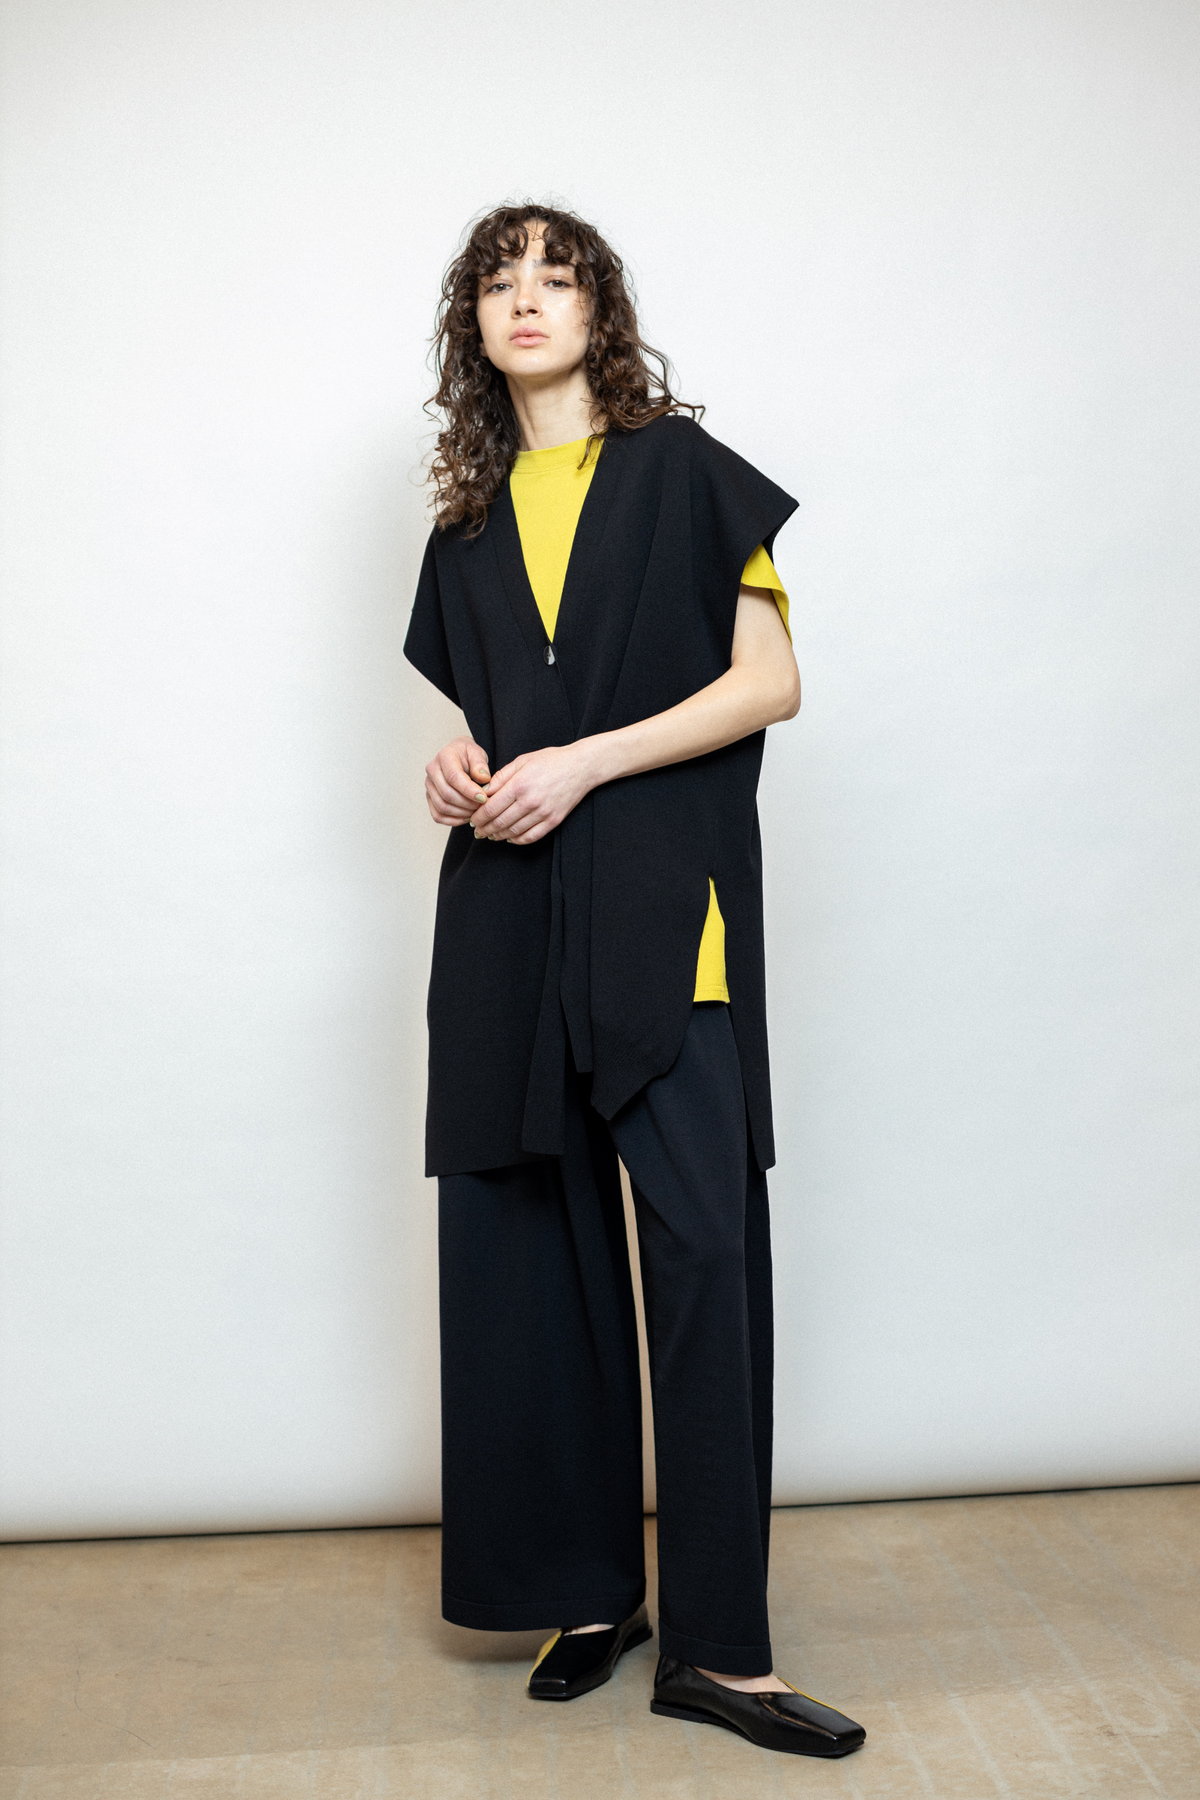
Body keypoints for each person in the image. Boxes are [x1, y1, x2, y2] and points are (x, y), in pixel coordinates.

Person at [403, 200, 866, 1760]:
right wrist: (462, 765)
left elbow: (768, 683)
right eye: (499, 281)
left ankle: (720, 1650)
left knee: (704, 1259)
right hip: (509, 920)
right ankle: (589, 1593)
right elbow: (497, 719)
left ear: (602, 310)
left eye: (559, 276)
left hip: (668, 915)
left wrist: (587, 763)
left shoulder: (682, 473)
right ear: (473, 325)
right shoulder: (466, 529)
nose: (527, 299)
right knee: (533, 1269)